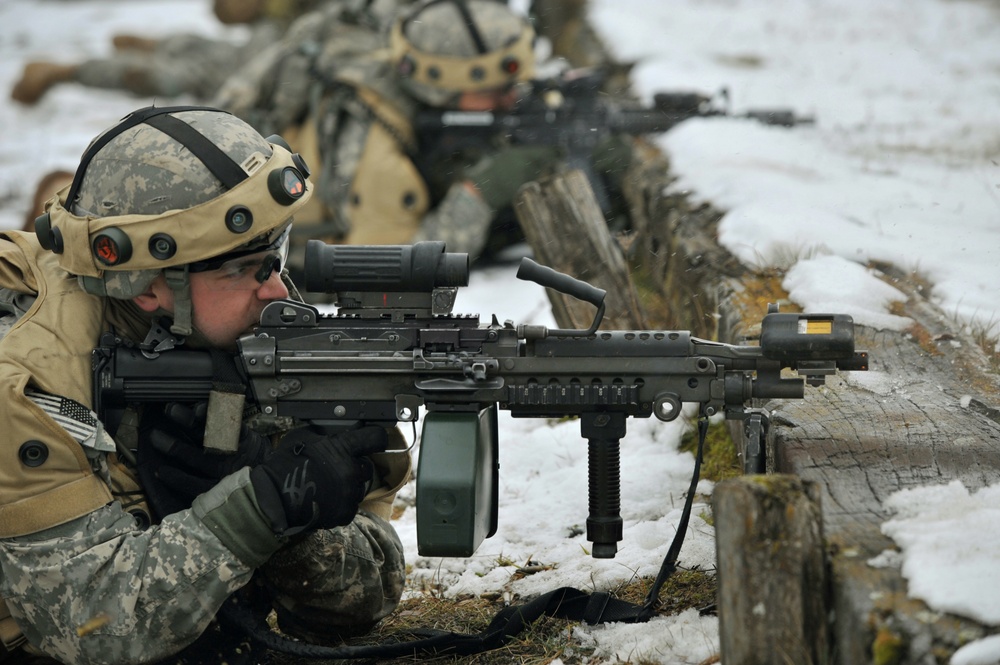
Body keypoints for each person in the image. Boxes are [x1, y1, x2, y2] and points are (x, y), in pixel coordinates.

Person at [0, 106, 410, 664]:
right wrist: (251, 512)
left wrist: (291, 518)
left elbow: (365, 599)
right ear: (147, 288)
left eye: (277, 256)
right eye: (243, 270)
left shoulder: (244, 326)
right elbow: (92, 627)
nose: (278, 293)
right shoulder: (30, 383)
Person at [216, 0, 635, 265]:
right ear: (441, 91)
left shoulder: (428, 67)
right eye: (496, 91)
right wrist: (479, 194)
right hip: (302, 250)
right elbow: (386, 272)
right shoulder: (377, 151)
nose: (513, 99)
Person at [10, 0, 325, 106]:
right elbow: (227, 12)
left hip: (284, 42)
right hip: (284, 53)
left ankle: (162, 46)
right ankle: (66, 71)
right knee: (180, 75)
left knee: (211, 58)